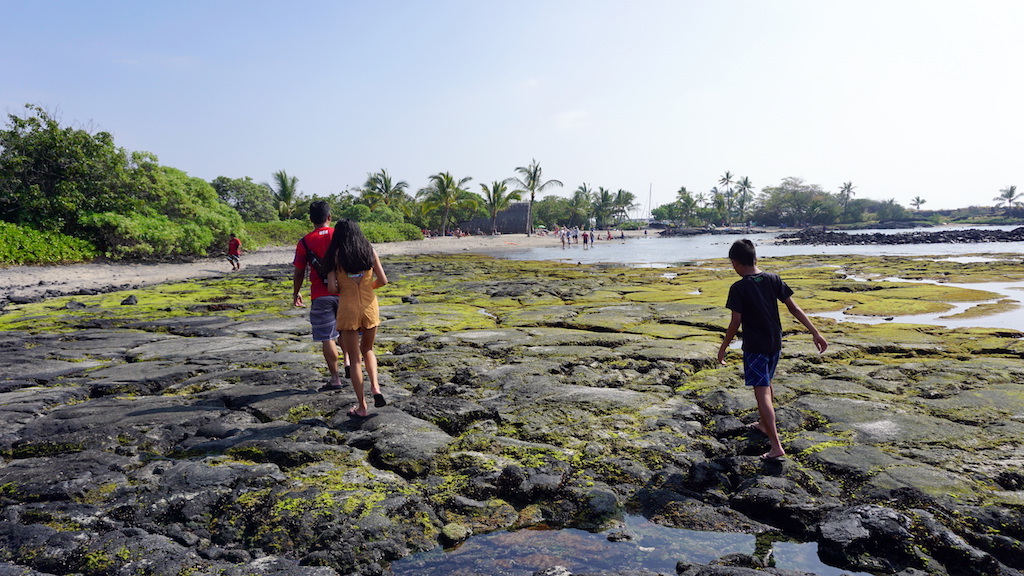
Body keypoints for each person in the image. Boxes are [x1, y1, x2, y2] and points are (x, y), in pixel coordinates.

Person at [717, 239, 828, 460]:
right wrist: (815, 332)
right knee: (766, 384)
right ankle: (762, 423)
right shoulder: (773, 279)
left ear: (735, 263)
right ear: (755, 259)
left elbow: (735, 322)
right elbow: (794, 308)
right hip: (775, 342)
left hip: (755, 346)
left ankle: (776, 446)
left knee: (761, 392)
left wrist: (723, 347)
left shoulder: (739, 287)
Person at [325, 218, 389, 418]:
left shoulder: (335, 256)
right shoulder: (369, 251)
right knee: (368, 349)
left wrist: (345, 286)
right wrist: (368, 287)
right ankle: (376, 388)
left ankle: (362, 406)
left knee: (354, 360)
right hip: (370, 307)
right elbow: (383, 280)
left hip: (348, 309)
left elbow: (332, 288)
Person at [292, 201, 348, 390]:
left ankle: (335, 378)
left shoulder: (305, 242)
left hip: (320, 295)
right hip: (344, 292)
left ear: (311, 219)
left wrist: (296, 293)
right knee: (346, 332)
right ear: (329, 217)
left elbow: (299, 271)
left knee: (327, 337)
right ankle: (348, 362)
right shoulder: (341, 235)